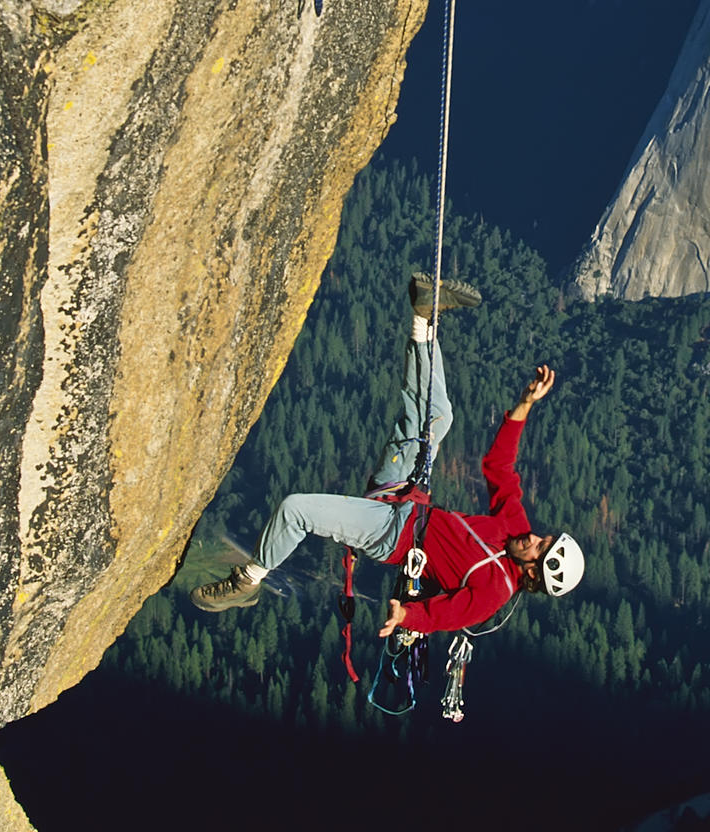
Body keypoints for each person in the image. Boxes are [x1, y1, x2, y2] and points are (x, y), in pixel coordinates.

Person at [190, 272, 584, 635]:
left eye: (539, 547)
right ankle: (425, 318)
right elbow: (500, 469)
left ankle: (246, 583)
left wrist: (407, 617)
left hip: (390, 534)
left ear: (531, 576)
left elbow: (449, 613)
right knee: (438, 416)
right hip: (409, 495)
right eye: (544, 537)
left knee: (296, 509)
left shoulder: (492, 592)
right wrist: (525, 405)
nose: (532, 536)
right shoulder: (513, 527)